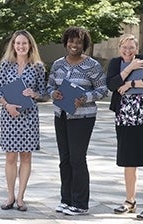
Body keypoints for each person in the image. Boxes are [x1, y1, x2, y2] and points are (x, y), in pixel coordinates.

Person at [46, 26, 108, 216]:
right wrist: (52, 93)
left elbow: (103, 90)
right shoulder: (58, 64)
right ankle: (66, 200)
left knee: (77, 159)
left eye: (78, 42)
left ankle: (80, 203)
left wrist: (86, 98)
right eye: (71, 41)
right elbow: (49, 86)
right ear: (66, 43)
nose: (74, 45)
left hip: (83, 118)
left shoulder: (92, 65)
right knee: (64, 159)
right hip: (61, 115)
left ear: (84, 45)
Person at [106, 34, 143, 220]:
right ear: (119, 47)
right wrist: (130, 68)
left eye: (131, 47)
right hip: (124, 117)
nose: (128, 50)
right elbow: (112, 85)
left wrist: (130, 83)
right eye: (124, 47)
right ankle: (129, 201)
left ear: (136, 48)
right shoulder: (115, 63)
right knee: (128, 161)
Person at [0, 30, 46, 212]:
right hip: (9, 116)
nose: (21, 46)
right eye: (18, 43)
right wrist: (7, 105)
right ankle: (10, 196)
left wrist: (34, 94)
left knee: (25, 156)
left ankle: (21, 197)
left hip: (29, 117)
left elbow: (43, 92)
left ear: (30, 45)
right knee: (10, 156)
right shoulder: (5, 65)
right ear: (13, 45)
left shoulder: (38, 66)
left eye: (24, 43)